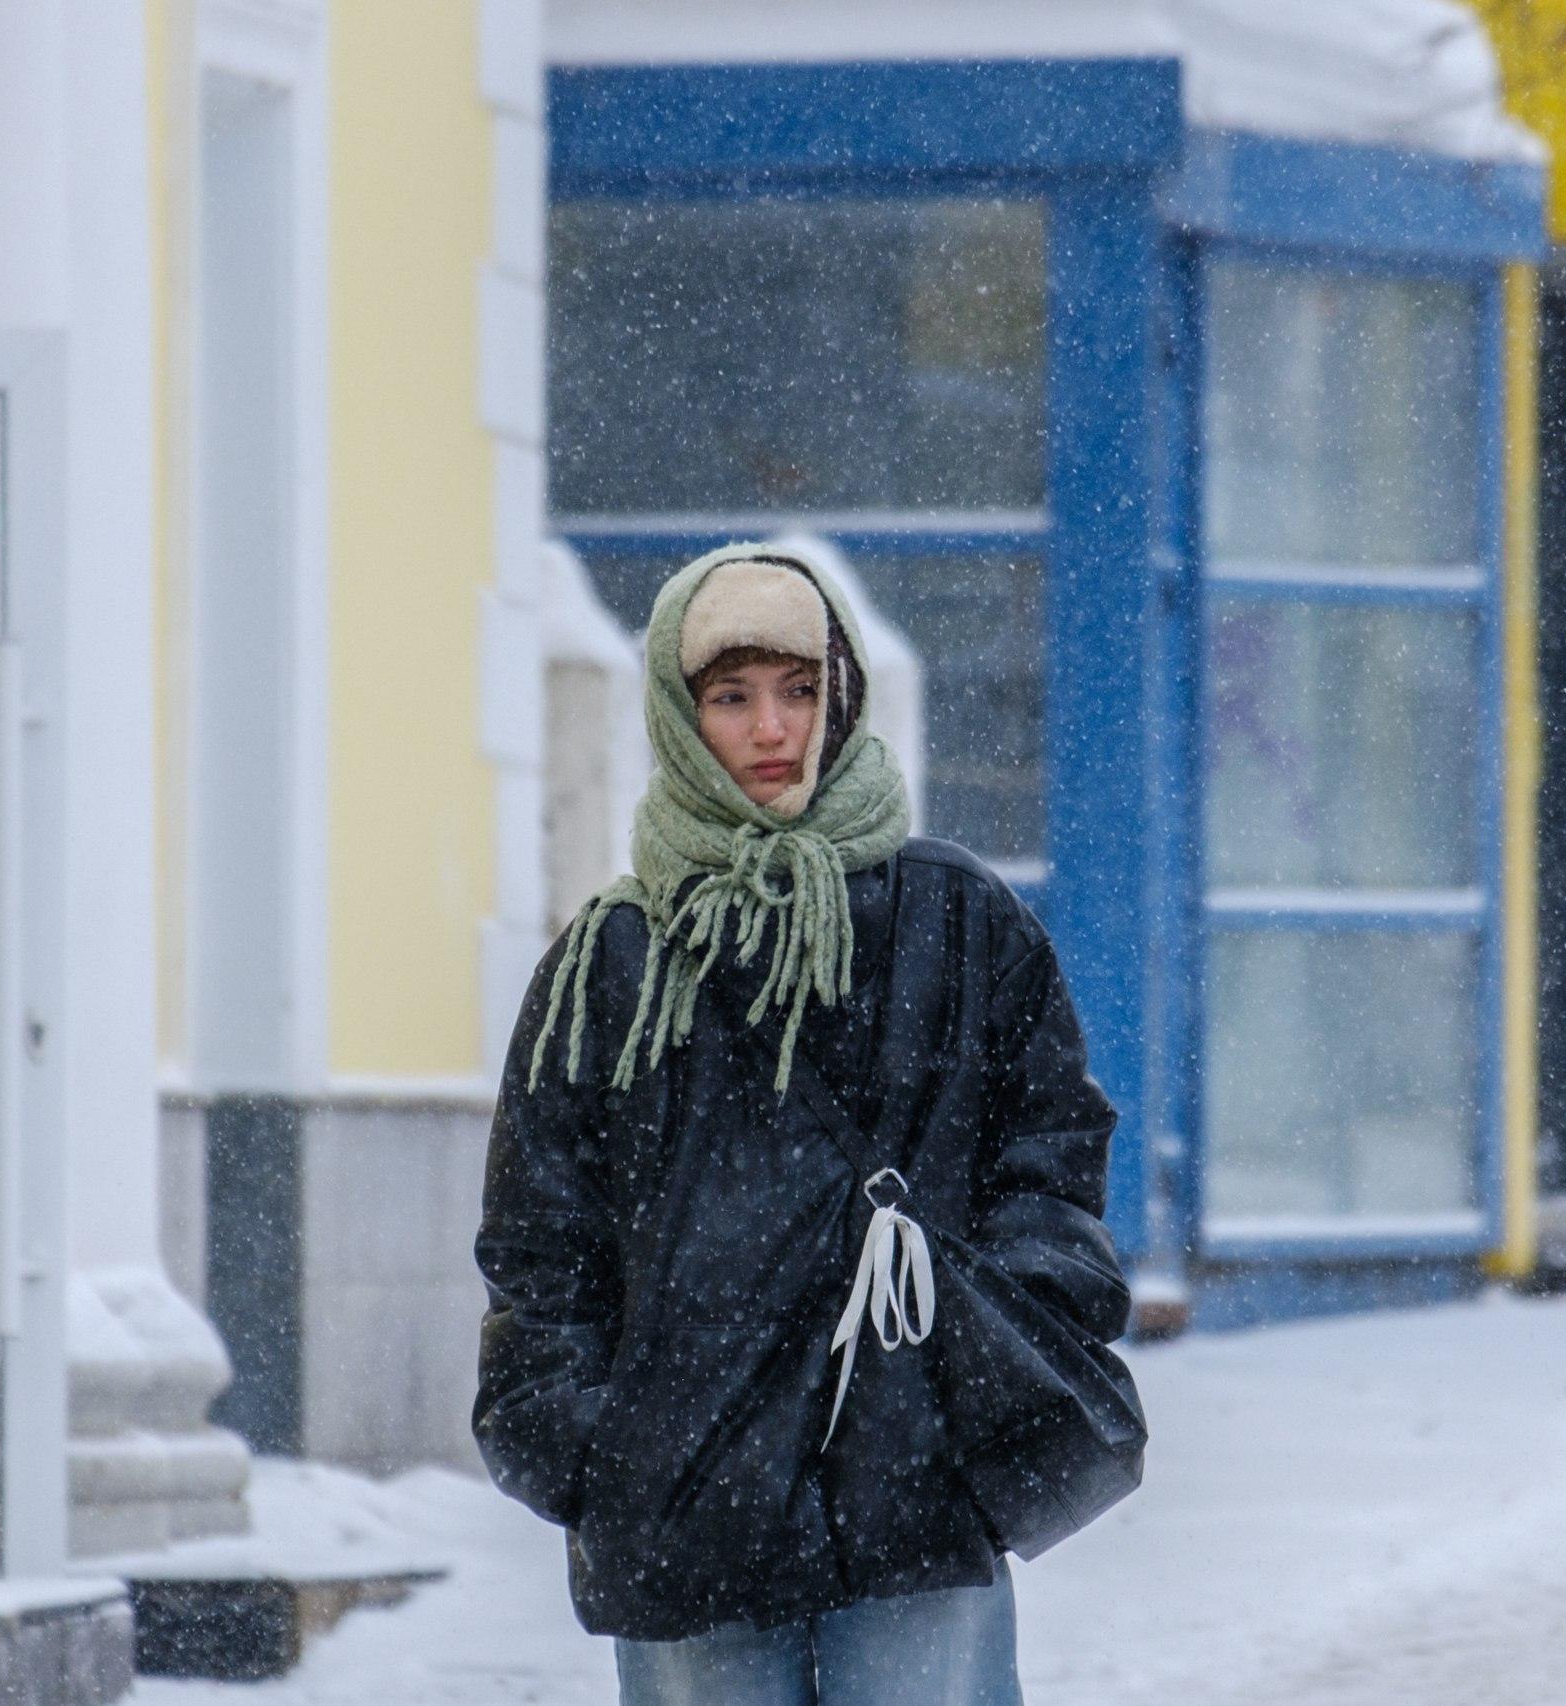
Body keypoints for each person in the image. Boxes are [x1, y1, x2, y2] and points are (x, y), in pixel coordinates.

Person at [473, 542, 1146, 1706]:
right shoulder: (609, 960)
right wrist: (597, 1447)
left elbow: (1050, 1153)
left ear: (843, 699)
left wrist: (988, 1350)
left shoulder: (961, 921)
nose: (771, 727)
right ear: (681, 718)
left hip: (915, 1481)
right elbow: (542, 1239)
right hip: (684, 1501)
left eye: (800, 690)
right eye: (730, 696)